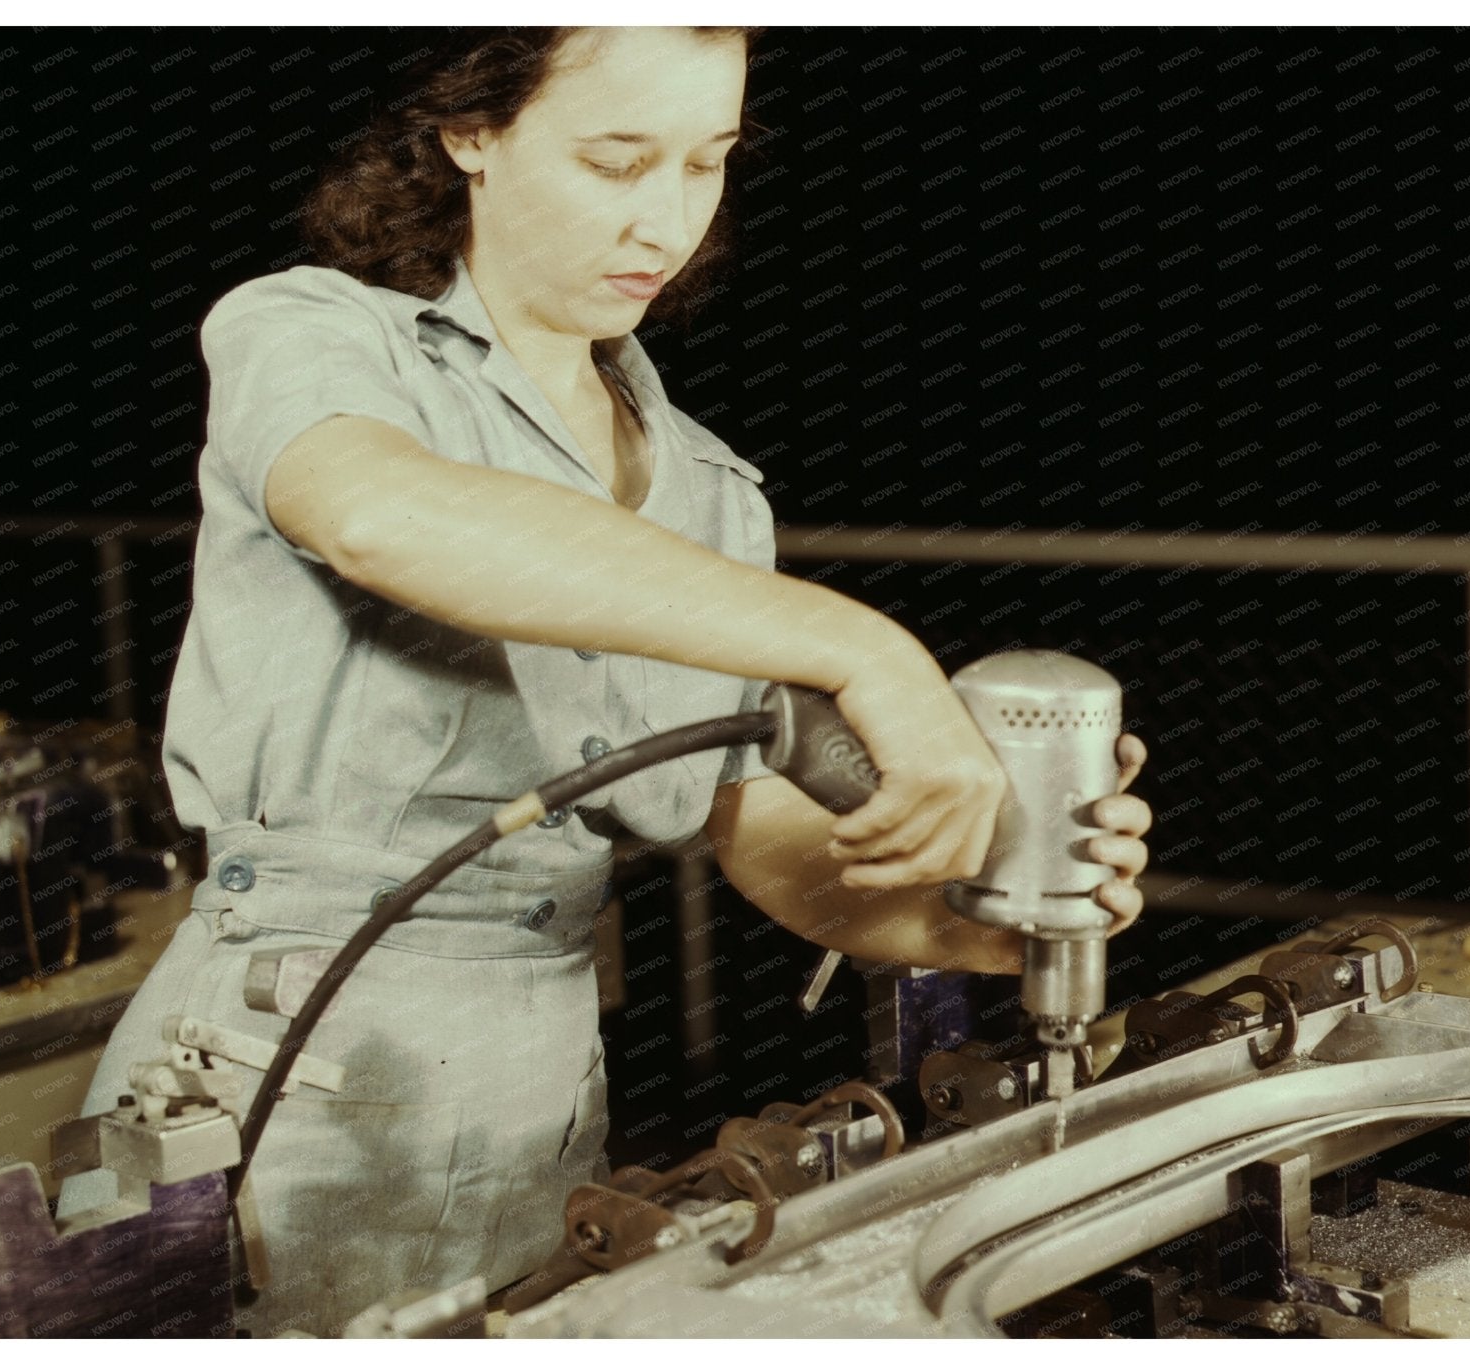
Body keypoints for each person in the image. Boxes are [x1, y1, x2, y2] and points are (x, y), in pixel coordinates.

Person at [56, 26, 1153, 1337]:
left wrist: (974, 906)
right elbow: (374, 515)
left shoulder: (702, 487)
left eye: (706, 162)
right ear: (469, 131)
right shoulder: (318, 334)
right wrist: (866, 649)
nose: (668, 219)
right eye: (617, 159)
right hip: (291, 1069)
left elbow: (765, 835)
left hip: (542, 1094)